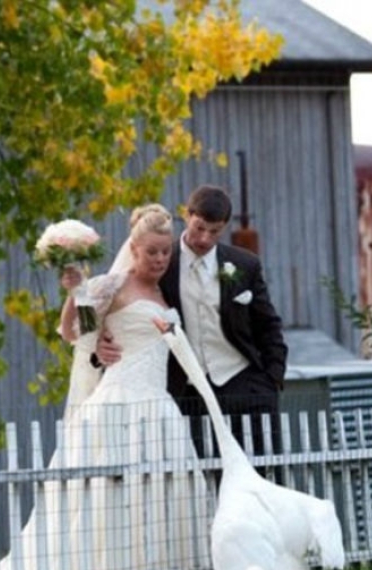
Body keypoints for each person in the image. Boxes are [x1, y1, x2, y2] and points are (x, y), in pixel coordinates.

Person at [0, 205, 210, 570]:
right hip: (119, 402)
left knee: (157, 493)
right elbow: (74, 331)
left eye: (165, 253)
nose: (159, 260)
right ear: (134, 249)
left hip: (158, 406)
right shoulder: (112, 286)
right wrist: (79, 301)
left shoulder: (162, 294)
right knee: (108, 494)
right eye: (151, 252)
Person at [96, 185, 288, 463]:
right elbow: (118, 304)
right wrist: (99, 344)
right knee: (199, 484)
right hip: (183, 392)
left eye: (215, 231)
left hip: (243, 386)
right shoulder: (161, 261)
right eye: (199, 228)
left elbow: (269, 326)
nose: (205, 238)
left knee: (262, 476)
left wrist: (272, 379)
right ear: (187, 215)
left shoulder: (245, 265)